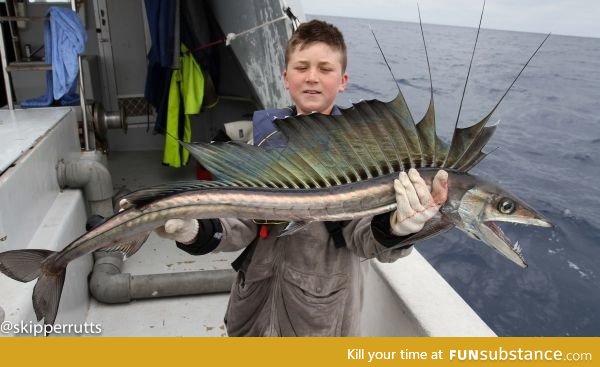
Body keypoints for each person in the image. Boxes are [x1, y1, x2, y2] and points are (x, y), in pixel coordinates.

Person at [143, 20, 448, 336]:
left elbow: (367, 239)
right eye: (301, 67)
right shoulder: (263, 141)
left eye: (325, 69)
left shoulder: (365, 155)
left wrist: (398, 228)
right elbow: (242, 222)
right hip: (251, 313)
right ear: (285, 78)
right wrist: (194, 230)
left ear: (343, 81)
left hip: (321, 324)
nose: (312, 77)